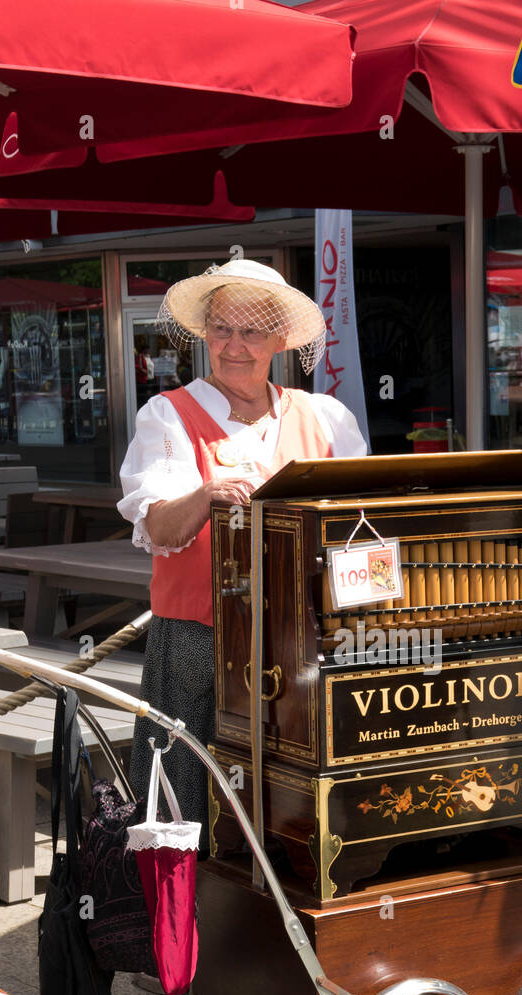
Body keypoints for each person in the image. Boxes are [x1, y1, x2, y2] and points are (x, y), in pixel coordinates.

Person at [118, 259, 368, 846]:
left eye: (252, 330)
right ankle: (183, 922)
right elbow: (158, 528)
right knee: (186, 800)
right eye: (223, 328)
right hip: (201, 643)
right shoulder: (168, 415)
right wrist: (205, 495)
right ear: (206, 334)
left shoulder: (325, 416)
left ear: (280, 340)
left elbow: (363, 523)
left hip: (306, 642)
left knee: (293, 799)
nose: (236, 345)